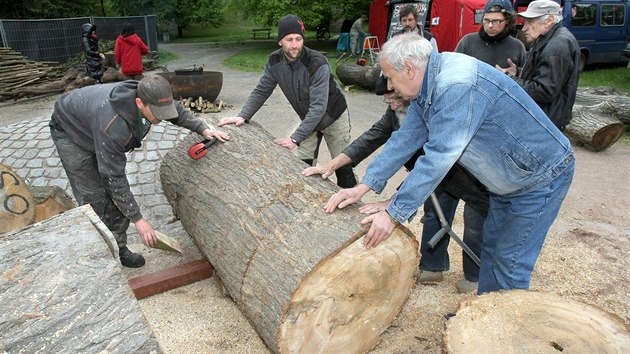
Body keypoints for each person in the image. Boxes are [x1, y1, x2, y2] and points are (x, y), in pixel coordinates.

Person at [324, 33, 575, 295]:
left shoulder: (457, 85)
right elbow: (405, 138)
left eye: (389, 76)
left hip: (539, 178)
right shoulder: (430, 80)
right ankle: (483, 319)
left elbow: (438, 157)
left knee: (510, 265)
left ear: (408, 69)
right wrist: (364, 186)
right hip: (509, 181)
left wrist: (393, 213)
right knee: (491, 252)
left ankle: (501, 331)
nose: (388, 84)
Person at [304, 75, 489, 293]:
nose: (391, 103)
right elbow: (371, 137)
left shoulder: (434, 110)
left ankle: (476, 276)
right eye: (387, 98)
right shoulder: (395, 111)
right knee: (435, 214)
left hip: (465, 173)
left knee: (477, 221)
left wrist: (394, 201)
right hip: (432, 173)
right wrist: (332, 164)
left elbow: (434, 163)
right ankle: (433, 266)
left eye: (395, 97)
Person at [49, 75, 230, 268]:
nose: (161, 117)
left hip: (93, 123)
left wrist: (203, 129)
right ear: (139, 103)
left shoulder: (151, 95)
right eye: (157, 113)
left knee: (110, 191)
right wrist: (138, 219)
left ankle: (120, 249)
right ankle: (102, 259)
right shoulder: (113, 125)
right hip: (70, 131)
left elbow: (175, 111)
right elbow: (113, 177)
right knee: (94, 198)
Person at [413, 0, 527, 292]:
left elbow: (524, 96)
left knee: (477, 215)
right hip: (454, 133)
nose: (490, 26)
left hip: (486, 143)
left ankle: (473, 273)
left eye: (496, 21)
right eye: (486, 20)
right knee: (436, 206)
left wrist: (513, 80)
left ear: (508, 21)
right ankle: (432, 265)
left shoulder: (518, 47)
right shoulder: (467, 42)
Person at [219, 14, 356, 188]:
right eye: (289, 39)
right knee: (303, 166)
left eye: (299, 39)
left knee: (342, 167)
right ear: (280, 41)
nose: (294, 44)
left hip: (333, 116)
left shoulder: (317, 63)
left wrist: (294, 139)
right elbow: (262, 90)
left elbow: (319, 107)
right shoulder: (274, 61)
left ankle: (354, 207)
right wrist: (243, 116)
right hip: (309, 119)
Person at [497, 0, 580, 131]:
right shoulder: (548, 39)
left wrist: (508, 79)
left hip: (547, 124)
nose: (524, 28)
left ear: (549, 21)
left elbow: (544, 91)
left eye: (530, 22)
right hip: (544, 120)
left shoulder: (557, 45)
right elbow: (545, 75)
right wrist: (518, 73)